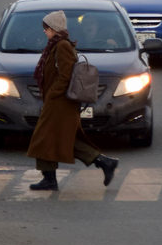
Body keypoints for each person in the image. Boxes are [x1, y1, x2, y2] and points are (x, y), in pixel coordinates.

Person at [26, 10, 119, 191]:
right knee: (57, 138)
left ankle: (50, 179)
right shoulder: (55, 45)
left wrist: (53, 94)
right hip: (57, 102)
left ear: (54, 28)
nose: (44, 31)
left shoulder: (62, 46)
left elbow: (66, 74)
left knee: (44, 138)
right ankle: (104, 163)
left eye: (47, 28)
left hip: (60, 103)